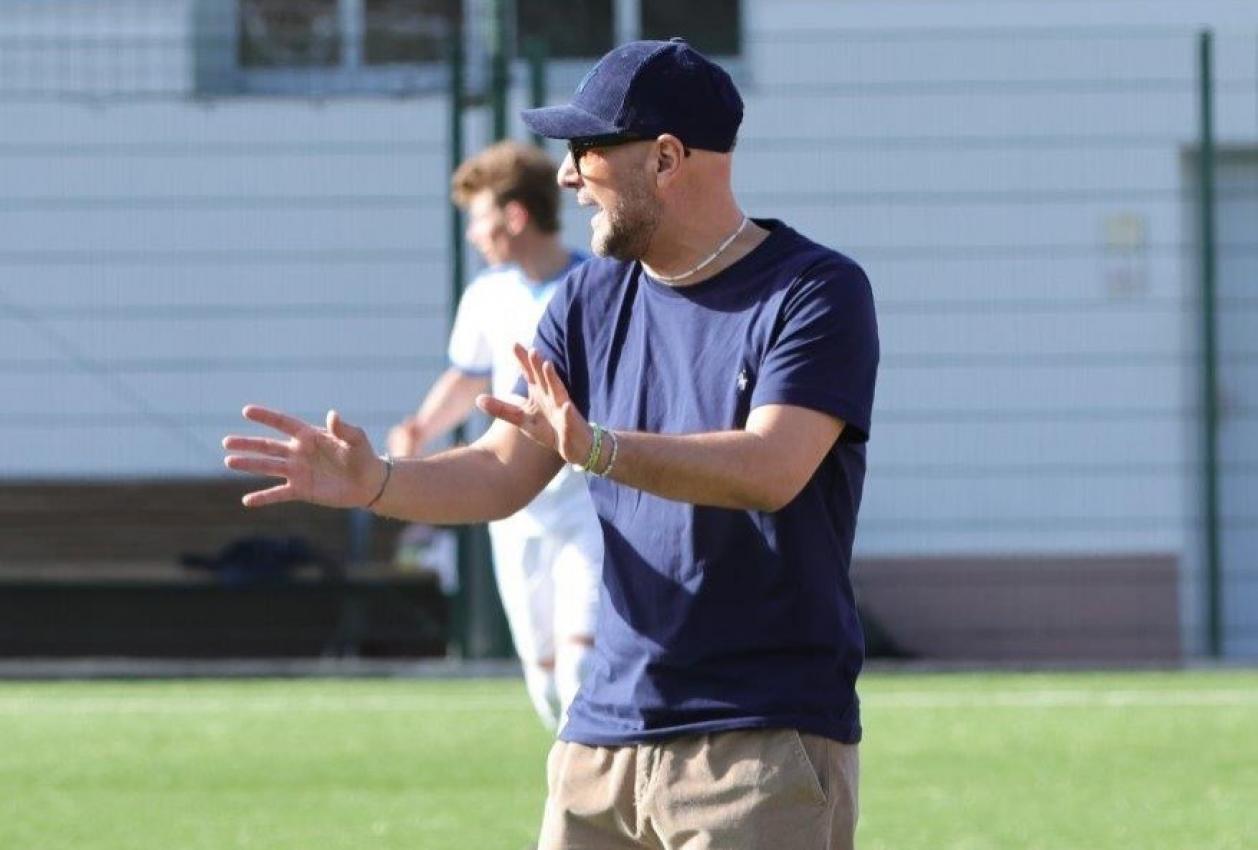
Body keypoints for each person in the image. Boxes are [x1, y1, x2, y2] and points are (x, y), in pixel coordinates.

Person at [224, 37, 878, 850]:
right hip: (600, 743)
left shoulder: (814, 291)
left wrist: (599, 449)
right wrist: (379, 481)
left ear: (666, 158)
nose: (566, 176)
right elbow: (503, 471)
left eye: (586, 149)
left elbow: (771, 468)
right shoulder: (585, 297)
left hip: (758, 742)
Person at [386, 140, 601, 730]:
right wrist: (420, 429)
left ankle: (596, 785)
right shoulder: (487, 295)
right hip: (515, 503)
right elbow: (468, 376)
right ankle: (575, 773)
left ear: (515, 216)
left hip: (587, 500)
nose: (473, 234)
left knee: (583, 665)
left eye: (479, 218)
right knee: (545, 680)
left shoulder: (595, 285)